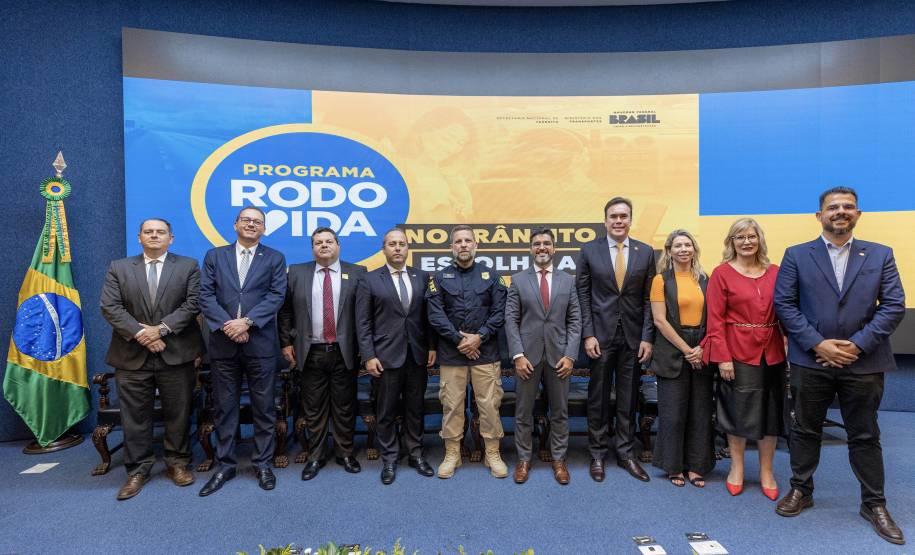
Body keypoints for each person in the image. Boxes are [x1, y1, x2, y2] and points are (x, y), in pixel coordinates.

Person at [773, 187, 906, 545]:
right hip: (810, 360)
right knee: (804, 430)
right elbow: (784, 305)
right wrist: (819, 344)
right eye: (833, 207)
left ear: (858, 214)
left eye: (848, 207)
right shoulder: (797, 255)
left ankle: (874, 504)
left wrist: (856, 345)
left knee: (864, 435)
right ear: (819, 216)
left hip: (863, 362)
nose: (840, 212)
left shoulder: (880, 255)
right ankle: (802, 489)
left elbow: (893, 305)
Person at [100, 218, 203, 500]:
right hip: (131, 354)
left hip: (177, 353)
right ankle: (137, 469)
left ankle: (178, 463)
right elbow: (110, 306)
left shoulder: (188, 266)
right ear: (139, 237)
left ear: (171, 238)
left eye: (161, 232)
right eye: (149, 232)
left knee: (178, 413)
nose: (154, 235)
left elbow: (193, 303)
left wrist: (161, 330)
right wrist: (141, 334)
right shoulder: (119, 267)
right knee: (134, 417)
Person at [197, 207, 287, 496]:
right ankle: (225, 465)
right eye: (246, 220)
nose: (251, 224)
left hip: (260, 343)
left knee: (264, 407)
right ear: (235, 224)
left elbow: (276, 295)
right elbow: (205, 295)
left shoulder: (274, 257)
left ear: (264, 228)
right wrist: (229, 325)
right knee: (225, 407)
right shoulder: (215, 256)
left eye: (257, 222)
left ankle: (263, 463)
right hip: (223, 344)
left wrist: (247, 322)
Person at [701, 218, 785, 500]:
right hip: (736, 352)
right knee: (738, 411)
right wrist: (723, 358)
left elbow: (787, 311)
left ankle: (766, 470)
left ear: (759, 239)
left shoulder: (776, 272)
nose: (747, 242)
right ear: (731, 243)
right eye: (740, 238)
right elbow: (715, 320)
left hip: (773, 353)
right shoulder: (721, 274)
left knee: (770, 413)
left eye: (751, 237)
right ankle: (736, 467)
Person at [576, 197, 656, 482]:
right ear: (605, 221)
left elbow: (650, 300)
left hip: (634, 338)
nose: (618, 221)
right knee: (597, 397)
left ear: (630, 220)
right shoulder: (588, 251)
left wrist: (648, 337)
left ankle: (625, 453)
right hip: (600, 336)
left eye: (624, 216)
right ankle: (597, 454)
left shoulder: (645, 253)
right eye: (613, 216)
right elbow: (582, 296)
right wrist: (588, 334)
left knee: (628, 397)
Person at [279, 227, 367, 481]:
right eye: (318, 242)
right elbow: (285, 312)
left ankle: (345, 453)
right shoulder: (296, 273)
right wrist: (285, 342)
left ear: (338, 246)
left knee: (344, 406)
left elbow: (364, 316)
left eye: (329, 241)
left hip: (344, 351)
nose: (324, 245)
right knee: (313, 408)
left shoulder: (358, 273)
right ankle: (315, 456)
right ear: (312, 248)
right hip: (310, 351)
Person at [355, 228, 437, 484]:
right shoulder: (369, 280)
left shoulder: (422, 277)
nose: (398, 248)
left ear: (408, 248)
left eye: (402, 244)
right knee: (386, 410)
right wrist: (368, 355)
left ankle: (415, 453)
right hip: (384, 356)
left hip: (417, 355)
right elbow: (363, 322)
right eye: (392, 244)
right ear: (384, 249)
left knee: (415, 408)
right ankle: (389, 457)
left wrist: (432, 347)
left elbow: (429, 318)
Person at [426, 225, 508, 479]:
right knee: (452, 405)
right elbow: (435, 315)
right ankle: (452, 454)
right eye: (458, 241)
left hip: (485, 353)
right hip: (452, 354)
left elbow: (500, 312)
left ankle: (492, 453)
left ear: (476, 246)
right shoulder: (438, 279)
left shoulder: (492, 277)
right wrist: (460, 340)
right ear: (451, 247)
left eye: (467, 240)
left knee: (490, 405)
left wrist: (479, 338)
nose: (463, 245)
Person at [504, 228, 581, 485]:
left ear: (554, 248)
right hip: (527, 357)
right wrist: (517, 355)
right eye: (537, 244)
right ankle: (524, 460)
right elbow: (511, 320)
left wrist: (570, 355)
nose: (542, 247)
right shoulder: (517, 280)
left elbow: (575, 320)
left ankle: (559, 460)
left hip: (560, 357)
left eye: (547, 243)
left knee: (559, 412)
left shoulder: (568, 281)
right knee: (523, 412)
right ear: (530, 249)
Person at [648, 229, 714, 488]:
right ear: (669, 251)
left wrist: (702, 348)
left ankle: (697, 467)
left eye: (688, 244)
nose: (684, 249)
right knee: (673, 414)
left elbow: (715, 317)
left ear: (694, 249)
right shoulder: (660, 280)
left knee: (700, 412)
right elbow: (659, 321)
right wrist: (687, 350)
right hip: (673, 350)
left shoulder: (706, 279)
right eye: (678, 245)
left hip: (703, 350)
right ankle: (673, 466)